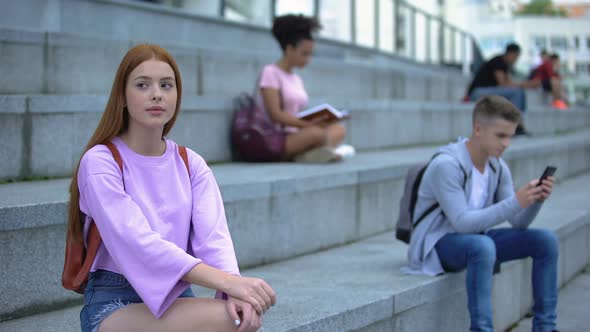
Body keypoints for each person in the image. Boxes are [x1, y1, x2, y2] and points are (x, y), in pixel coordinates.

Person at [68, 44, 276, 332]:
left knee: (241, 314)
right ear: (123, 97)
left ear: (176, 96)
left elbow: (213, 239)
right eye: (143, 85)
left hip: (176, 298)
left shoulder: (191, 163)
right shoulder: (100, 162)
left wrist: (233, 291)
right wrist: (229, 283)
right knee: (229, 320)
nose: (157, 94)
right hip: (115, 302)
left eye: (167, 85)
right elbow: (137, 242)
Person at [405, 95, 559, 332]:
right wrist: (516, 201)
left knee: (545, 240)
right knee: (482, 246)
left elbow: (518, 222)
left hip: (476, 239)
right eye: (501, 135)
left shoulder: (497, 166)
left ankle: (546, 328)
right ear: (478, 129)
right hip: (436, 243)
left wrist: (536, 200)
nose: (506, 143)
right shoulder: (446, 165)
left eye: (510, 136)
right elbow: (462, 223)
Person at [256, 14, 355, 163]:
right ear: (289, 49)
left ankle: (312, 154)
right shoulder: (270, 72)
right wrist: (307, 125)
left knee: (339, 130)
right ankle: (320, 153)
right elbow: (275, 114)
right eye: (304, 54)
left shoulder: (296, 79)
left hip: (298, 132)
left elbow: (297, 112)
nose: (308, 59)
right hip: (278, 137)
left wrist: (324, 119)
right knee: (316, 133)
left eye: (310, 54)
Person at [466, 43, 537, 135]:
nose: (516, 60)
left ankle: (516, 124)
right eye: (516, 57)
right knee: (517, 93)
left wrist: (525, 85)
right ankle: (515, 126)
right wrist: (526, 84)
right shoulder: (498, 61)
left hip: (485, 91)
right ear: (511, 54)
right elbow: (503, 84)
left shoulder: (504, 64)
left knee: (519, 92)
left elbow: (509, 84)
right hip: (478, 93)